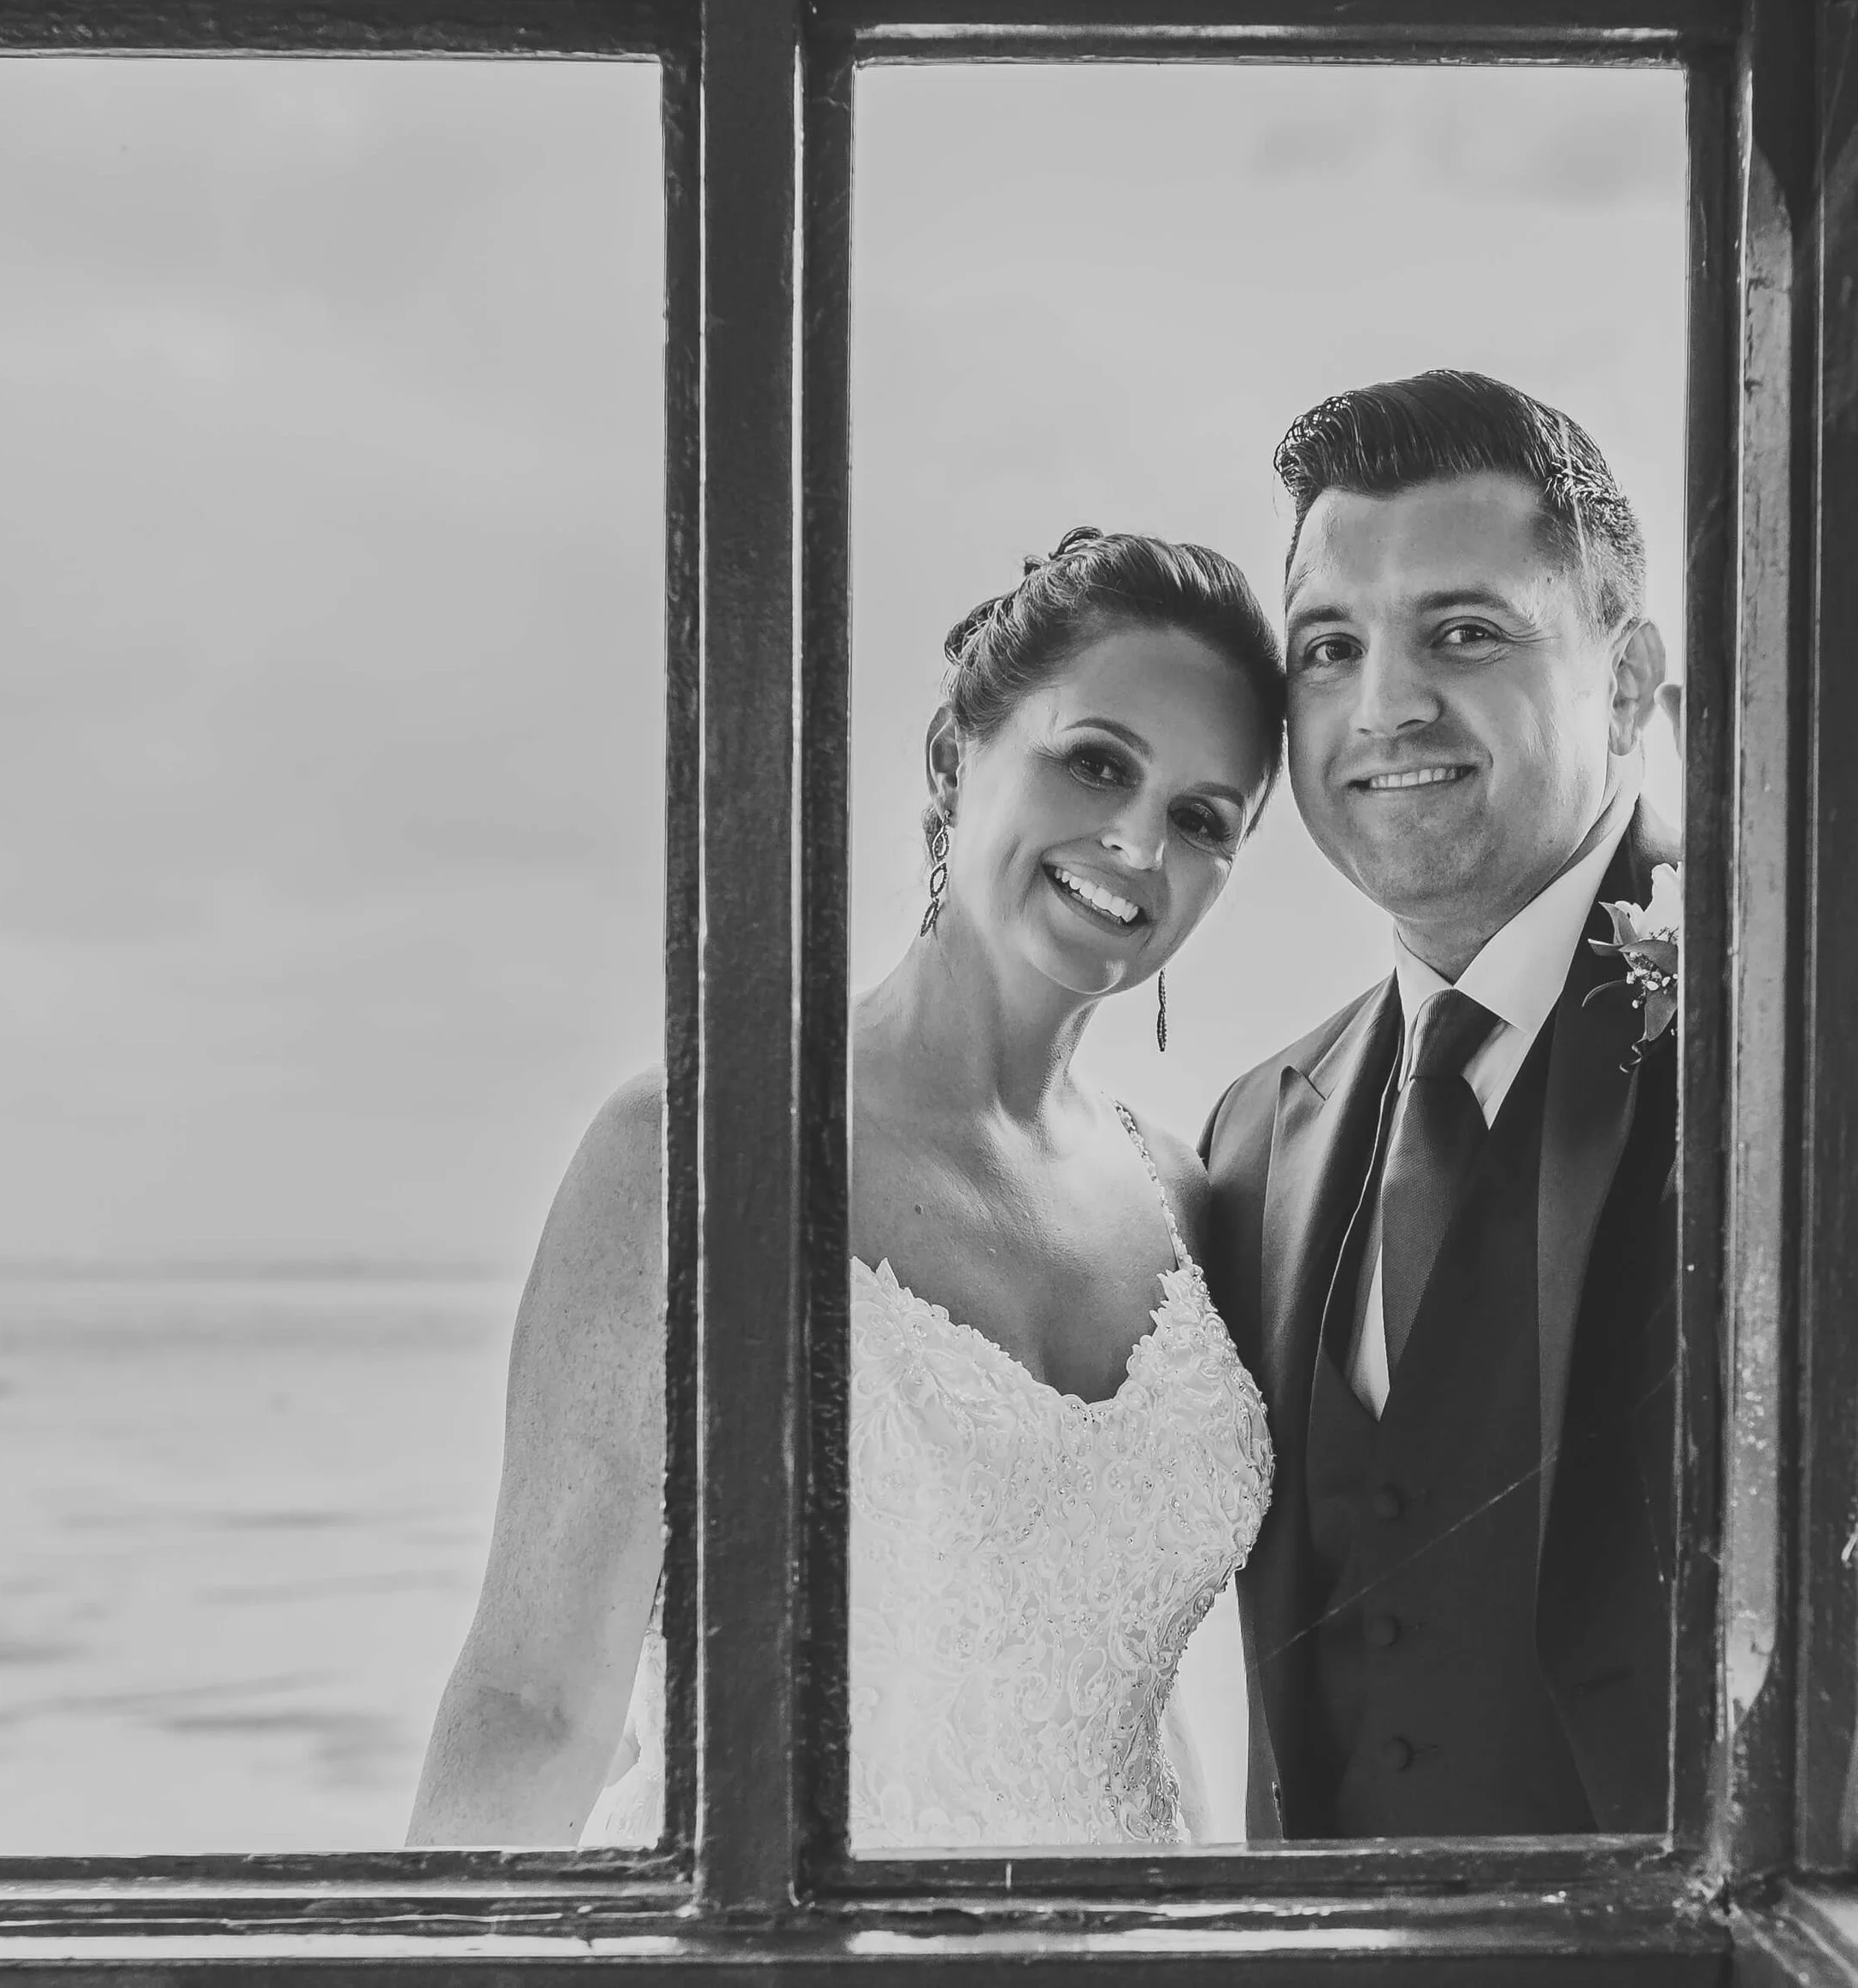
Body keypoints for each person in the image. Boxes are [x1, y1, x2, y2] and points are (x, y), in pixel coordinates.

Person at [408, 527, 1283, 1850]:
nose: (1136, 842)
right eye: (1096, 760)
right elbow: (535, 1697)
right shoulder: (692, 1152)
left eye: (1201, 819)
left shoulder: (1191, 1200)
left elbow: (1130, 1693)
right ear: (955, 758)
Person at [1200, 370, 1678, 1840]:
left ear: (1633, 675)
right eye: (1328, 648)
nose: (1384, 704)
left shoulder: (1798, 1027)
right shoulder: (1250, 1132)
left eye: (1464, 633)